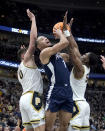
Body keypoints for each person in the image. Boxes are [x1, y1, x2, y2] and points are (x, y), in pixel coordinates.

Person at [61, 12, 99, 131]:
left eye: (85, 56)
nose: (83, 55)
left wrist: (65, 32)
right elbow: (75, 46)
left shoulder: (80, 68)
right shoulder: (84, 66)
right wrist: (68, 30)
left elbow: (72, 50)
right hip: (84, 105)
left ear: (87, 61)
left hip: (76, 104)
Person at [36, 16, 73, 131]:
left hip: (68, 91)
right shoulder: (44, 53)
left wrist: (67, 30)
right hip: (56, 90)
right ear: (39, 46)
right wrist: (60, 32)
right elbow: (65, 42)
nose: (46, 39)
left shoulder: (58, 55)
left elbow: (69, 52)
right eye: (42, 39)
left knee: (64, 126)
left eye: (45, 38)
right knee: (48, 127)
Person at [17, 9, 45, 131]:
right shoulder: (26, 60)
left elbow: (24, 54)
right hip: (33, 97)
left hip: (24, 100)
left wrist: (22, 51)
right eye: (26, 52)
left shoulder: (20, 67)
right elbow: (33, 41)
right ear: (24, 56)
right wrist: (33, 19)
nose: (30, 52)